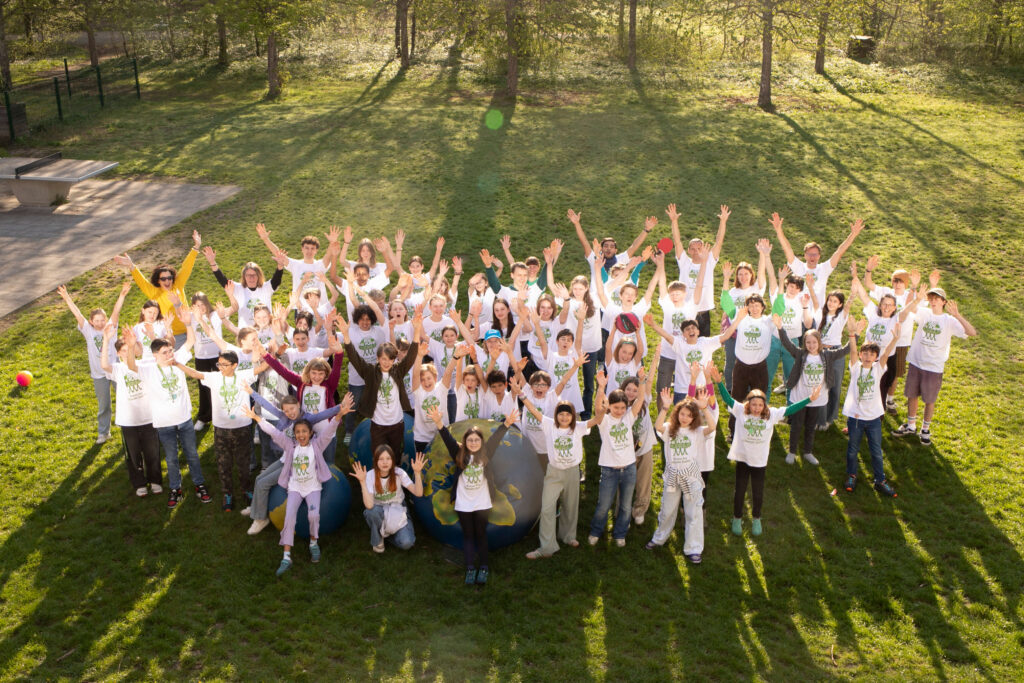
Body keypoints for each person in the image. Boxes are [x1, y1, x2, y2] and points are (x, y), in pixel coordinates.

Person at [715, 370, 819, 536]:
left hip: (759, 461)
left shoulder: (771, 415)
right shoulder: (741, 410)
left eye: (760, 405)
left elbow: (791, 409)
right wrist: (719, 382)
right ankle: (737, 518)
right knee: (740, 490)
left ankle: (756, 518)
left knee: (757, 491)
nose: (757, 408)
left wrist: (809, 399)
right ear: (748, 404)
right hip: (743, 458)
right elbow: (728, 399)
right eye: (754, 405)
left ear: (764, 406)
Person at [121, 319, 211, 508]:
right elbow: (131, 366)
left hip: (184, 420)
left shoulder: (178, 360)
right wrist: (130, 347)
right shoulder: (149, 369)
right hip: (164, 424)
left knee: (192, 454)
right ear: (155, 356)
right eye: (165, 352)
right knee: (171, 458)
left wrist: (188, 324)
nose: (170, 354)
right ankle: (175, 488)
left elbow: (190, 342)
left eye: (170, 350)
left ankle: (199, 484)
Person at [245, 405, 342, 576]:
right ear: (294, 435)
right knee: (289, 518)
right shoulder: (290, 446)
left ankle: (313, 543)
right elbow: (274, 433)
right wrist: (257, 419)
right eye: (298, 432)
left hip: (313, 488)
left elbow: (329, 430)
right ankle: (286, 556)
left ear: (310, 433)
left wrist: (340, 414)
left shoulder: (317, 445)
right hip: (295, 489)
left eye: (304, 431)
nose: (301, 435)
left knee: (314, 516)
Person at [428, 405, 518, 586]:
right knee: (468, 536)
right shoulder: (459, 454)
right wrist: (439, 422)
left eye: (477, 440)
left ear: (481, 442)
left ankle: (483, 567)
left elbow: (496, 438)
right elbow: (447, 439)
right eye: (470, 440)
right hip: (464, 503)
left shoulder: (486, 454)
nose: (474, 443)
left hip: (482, 502)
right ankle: (470, 568)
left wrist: (507, 424)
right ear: (465, 442)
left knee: (481, 534)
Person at [242, 390, 351, 534]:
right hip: (285, 458)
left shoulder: (308, 419)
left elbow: (324, 415)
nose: (290, 413)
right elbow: (268, 406)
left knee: (263, 483)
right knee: (259, 478)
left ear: (298, 405)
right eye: (286, 410)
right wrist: (252, 393)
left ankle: (261, 518)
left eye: (292, 408)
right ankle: (257, 508)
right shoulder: (284, 416)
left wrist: (340, 407)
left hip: (296, 464)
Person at [893, 281, 976, 445]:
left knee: (929, 400)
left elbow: (972, 332)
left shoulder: (949, 320)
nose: (933, 300)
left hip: (934, 366)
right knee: (912, 395)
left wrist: (958, 315)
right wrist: (917, 299)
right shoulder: (924, 313)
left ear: (944, 302)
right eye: (931, 298)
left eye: (937, 298)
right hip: (916, 362)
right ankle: (911, 426)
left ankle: (925, 430)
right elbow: (904, 313)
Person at [517, 392, 598, 559]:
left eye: (568, 414)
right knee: (547, 508)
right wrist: (522, 395)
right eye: (561, 413)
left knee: (570, 505)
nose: (564, 417)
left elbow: (596, 420)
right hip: (553, 472)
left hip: (572, 472)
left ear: (573, 416)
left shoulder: (578, 427)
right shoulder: (549, 425)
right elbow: (533, 410)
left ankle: (568, 536)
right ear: (556, 415)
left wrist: (602, 395)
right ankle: (547, 547)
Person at [174, 350, 256, 511]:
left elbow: (262, 368)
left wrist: (272, 351)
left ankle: (247, 491)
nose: (220, 367)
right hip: (221, 431)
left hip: (243, 428)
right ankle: (227, 494)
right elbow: (195, 373)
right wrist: (177, 364)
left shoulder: (244, 375)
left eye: (224, 365)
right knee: (223, 463)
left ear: (235, 365)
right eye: (219, 364)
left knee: (243, 463)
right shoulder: (214, 377)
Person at [645, 387, 717, 563]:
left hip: (691, 476)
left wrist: (704, 408)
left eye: (689, 416)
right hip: (672, 475)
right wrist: (664, 408)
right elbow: (658, 426)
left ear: (694, 418)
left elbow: (712, 427)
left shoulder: (697, 432)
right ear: (677, 413)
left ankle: (693, 548)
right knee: (668, 509)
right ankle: (659, 538)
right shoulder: (670, 429)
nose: (684, 418)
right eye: (682, 414)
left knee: (693, 512)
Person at [776, 312, 856, 465]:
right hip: (799, 397)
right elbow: (787, 343)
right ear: (804, 344)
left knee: (810, 426)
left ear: (819, 342)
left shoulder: (827, 355)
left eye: (814, 342)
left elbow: (846, 350)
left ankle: (807, 452)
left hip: (818, 399)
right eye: (808, 343)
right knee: (797, 425)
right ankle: (792, 451)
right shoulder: (800, 354)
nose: (811, 345)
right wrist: (780, 328)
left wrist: (854, 334)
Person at [338, 313, 420, 459]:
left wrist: (417, 331)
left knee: (394, 457)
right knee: (379, 457)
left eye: (390, 359)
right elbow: (354, 357)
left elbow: (411, 356)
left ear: (394, 360)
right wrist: (345, 335)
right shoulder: (370, 372)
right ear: (378, 358)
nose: (386, 362)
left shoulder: (398, 371)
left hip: (397, 424)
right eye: (383, 359)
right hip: (378, 425)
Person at [56, 282, 130, 444]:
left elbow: (116, 311)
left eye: (102, 320)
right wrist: (67, 297)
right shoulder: (87, 330)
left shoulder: (111, 327)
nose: (100, 323)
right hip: (99, 375)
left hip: (116, 371)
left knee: (125, 398)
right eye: (96, 320)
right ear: (90, 322)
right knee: (104, 405)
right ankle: (104, 433)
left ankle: (129, 427)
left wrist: (122, 295)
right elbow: (77, 313)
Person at [587, 367, 651, 547]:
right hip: (609, 471)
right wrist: (601, 388)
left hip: (629, 469)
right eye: (616, 407)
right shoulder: (604, 421)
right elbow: (598, 407)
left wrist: (642, 381)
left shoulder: (628, 418)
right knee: (603, 506)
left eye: (623, 407)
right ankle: (596, 531)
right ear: (610, 407)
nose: (620, 410)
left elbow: (639, 400)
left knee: (625, 506)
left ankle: (620, 534)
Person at [100, 324, 162, 495]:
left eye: (130, 349)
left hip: (149, 418)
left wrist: (135, 342)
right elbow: (104, 364)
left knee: (152, 452)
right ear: (119, 353)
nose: (127, 353)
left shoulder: (144, 365)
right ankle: (139, 484)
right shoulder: (118, 369)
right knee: (133, 455)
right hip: (128, 420)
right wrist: (105, 339)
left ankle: (155, 480)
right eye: (124, 350)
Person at [113, 229, 202, 347]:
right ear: (158, 281)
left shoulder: (178, 285)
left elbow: (186, 267)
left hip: (192, 327)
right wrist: (131, 265)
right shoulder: (155, 293)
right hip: (175, 335)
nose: (167, 281)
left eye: (169, 278)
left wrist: (196, 247)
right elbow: (142, 282)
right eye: (163, 279)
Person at [842, 321, 901, 495]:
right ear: (860, 355)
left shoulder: (878, 369)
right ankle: (852, 475)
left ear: (876, 357)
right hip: (856, 418)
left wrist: (895, 339)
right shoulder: (855, 368)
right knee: (853, 449)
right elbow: (852, 351)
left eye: (871, 354)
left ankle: (880, 480)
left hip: (874, 419)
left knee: (876, 451)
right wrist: (852, 336)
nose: (868, 356)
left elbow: (887, 353)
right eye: (865, 353)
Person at [862, 256, 920, 414]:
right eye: (895, 280)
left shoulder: (911, 293)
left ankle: (889, 399)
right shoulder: (885, 292)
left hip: (900, 341)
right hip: (880, 341)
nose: (897, 283)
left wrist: (914, 287)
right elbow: (868, 284)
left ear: (906, 283)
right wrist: (868, 270)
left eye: (901, 280)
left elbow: (909, 307)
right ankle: (872, 399)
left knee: (894, 372)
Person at [770, 212, 863, 307]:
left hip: (817, 315)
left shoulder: (824, 268)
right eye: (809, 254)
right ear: (805, 255)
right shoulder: (798, 267)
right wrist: (779, 230)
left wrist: (853, 234)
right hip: (798, 314)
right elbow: (787, 249)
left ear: (819, 256)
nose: (812, 257)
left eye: (815, 254)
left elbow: (839, 252)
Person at [351, 448, 427, 552]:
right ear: (376, 461)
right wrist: (363, 482)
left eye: (388, 458)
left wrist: (417, 473)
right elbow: (369, 506)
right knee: (371, 512)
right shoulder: (370, 475)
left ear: (393, 460)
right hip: (378, 511)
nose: (385, 462)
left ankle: (385, 533)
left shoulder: (399, 473)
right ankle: (378, 539)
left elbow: (418, 493)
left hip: (397, 509)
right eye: (381, 459)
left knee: (407, 543)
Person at [668, 203, 728, 337]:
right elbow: (677, 242)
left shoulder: (709, 261)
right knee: (684, 343)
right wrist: (674, 221)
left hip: (703, 311)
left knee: (703, 345)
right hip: (686, 310)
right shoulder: (684, 262)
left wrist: (723, 222)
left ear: (703, 249)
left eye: (699, 248)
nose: (696, 252)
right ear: (688, 250)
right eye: (693, 249)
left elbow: (719, 241)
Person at [719, 240, 768, 391]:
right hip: (734, 330)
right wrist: (726, 277)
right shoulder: (733, 291)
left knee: (747, 361)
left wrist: (762, 254)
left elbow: (761, 272)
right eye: (740, 274)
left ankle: (748, 389)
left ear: (751, 275)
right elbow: (725, 301)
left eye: (746, 273)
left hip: (750, 331)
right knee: (731, 360)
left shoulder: (756, 289)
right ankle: (730, 388)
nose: (743, 277)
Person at [202, 245, 285, 328]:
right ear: (244, 277)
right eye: (248, 275)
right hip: (245, 334)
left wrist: (280, 266)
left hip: (266, 332)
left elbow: (276, 279)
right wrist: (212, 263)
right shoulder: (238, 289)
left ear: (259, 276)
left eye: (254, 275)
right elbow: (222, 279)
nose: (251, 278)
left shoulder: (266, 288)